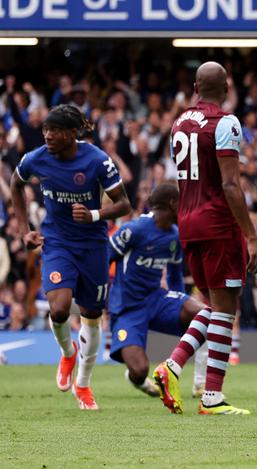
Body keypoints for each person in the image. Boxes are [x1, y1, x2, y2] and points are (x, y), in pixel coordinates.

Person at [152, 62, 257, 416]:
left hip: (187, 222)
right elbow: (230, 184)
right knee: (225, 309)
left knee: (214, 307)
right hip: (217, 223)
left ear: (196, 86)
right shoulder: (226, 123)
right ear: (227, 87)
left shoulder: (179, 123)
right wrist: (251, 236)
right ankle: (211, 396)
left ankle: (174, 367)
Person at [10, 104, 131, 410]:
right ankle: (67, 352)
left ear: (72, 133)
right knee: (60, 308)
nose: (48, 135)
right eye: (45, 130)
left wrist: (94, 214)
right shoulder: (36, 159)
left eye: (55, 130)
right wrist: (25, 230)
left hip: (93, 246)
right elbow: (16, 183)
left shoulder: (98, 161)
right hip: (58, 242)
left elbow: (124, 205)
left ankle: (84, 385)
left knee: (91, 315)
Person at [107, 183, 208, 398]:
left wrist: (180, 303)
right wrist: (100, 298)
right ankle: (137, 381)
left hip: (156, 299)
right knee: (140, 369)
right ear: (172, 205)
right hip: (127, 307)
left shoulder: (174, 235)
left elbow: (174, 275)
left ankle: (201, 385)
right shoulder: (133, 230)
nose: (186, 209)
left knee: (204, 315)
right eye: (183, 205)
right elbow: (103, 259)